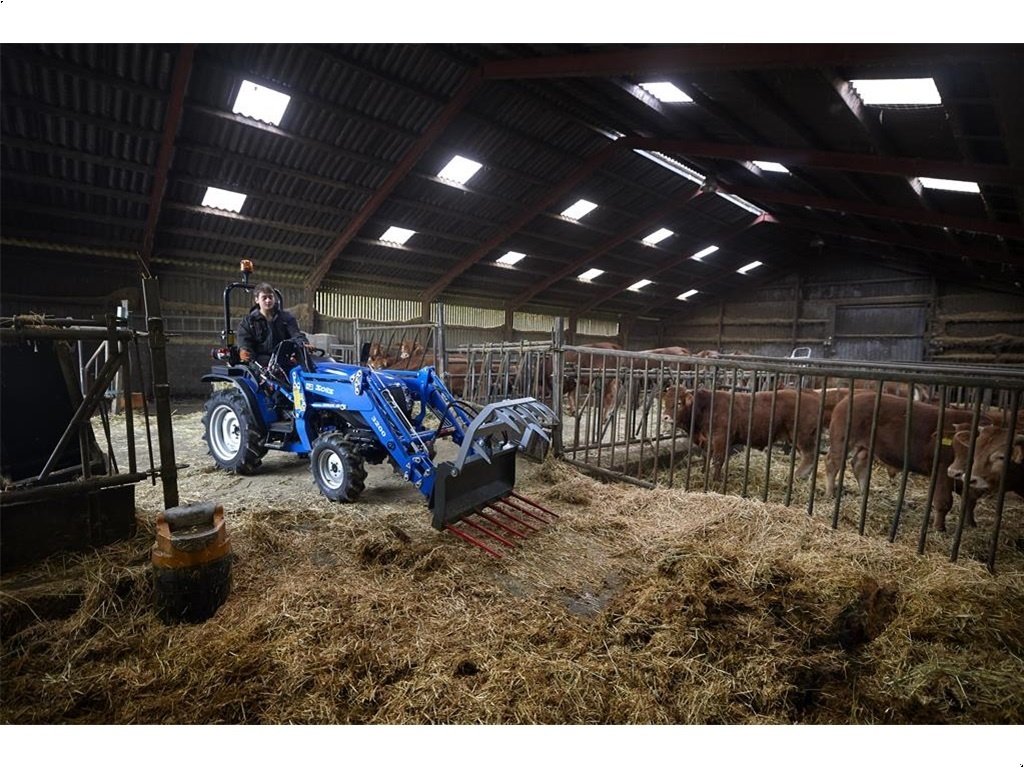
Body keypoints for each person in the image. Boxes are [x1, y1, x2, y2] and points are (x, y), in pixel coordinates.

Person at [236, 282, 307, 365]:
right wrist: (244, 350)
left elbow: (296, 334)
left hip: (283, 358)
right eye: (264, 298)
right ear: (257, 300)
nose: (268, 300)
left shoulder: (286, 318)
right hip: (259, 362)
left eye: (270, 297)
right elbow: (244, 340)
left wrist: (303, 343)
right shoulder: (249, 322)